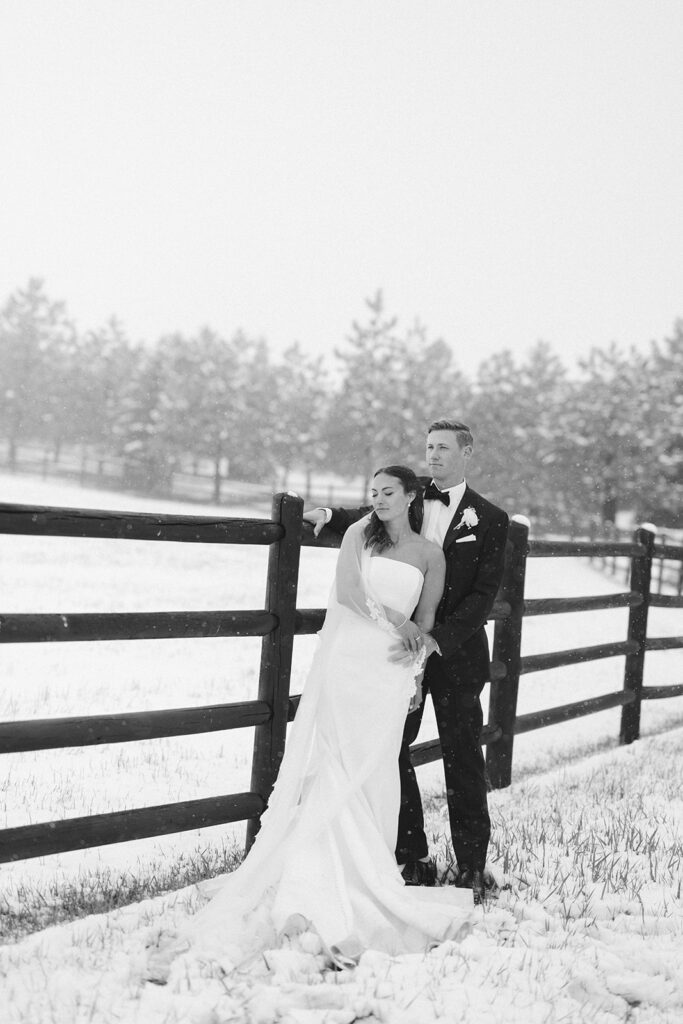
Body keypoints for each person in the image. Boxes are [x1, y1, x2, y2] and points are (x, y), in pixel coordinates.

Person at [154, 465, 473, 975]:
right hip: (351, 659)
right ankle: (323, 873)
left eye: (389, 492)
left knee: (377, 766)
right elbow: (349, 593)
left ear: (411, 496)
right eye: (373, 491)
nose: (379, 499)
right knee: (337, 761)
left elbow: (429, 621)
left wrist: (415, 673)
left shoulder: (431, 554)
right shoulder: (357, 534)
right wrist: (400, 623)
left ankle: (371, 871)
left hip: (391, 673)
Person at [305, 420, 509, 905]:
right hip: (398, 660)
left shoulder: (492, 519)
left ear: (466, 451)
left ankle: (472, 866)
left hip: (455, 655)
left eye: (443, 447)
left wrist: (436, 639)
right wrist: (328, 514)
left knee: (463, 756)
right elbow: (373, 509)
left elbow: (483, 596)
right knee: (391, 746)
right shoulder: (412, 496)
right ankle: (411, 853)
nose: (434, 454)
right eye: (429, 447)